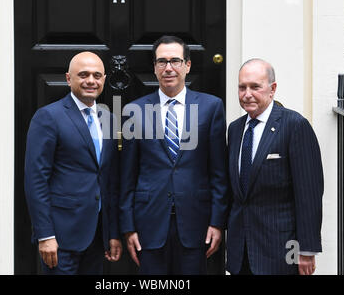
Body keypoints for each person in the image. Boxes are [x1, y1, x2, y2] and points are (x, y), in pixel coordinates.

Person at [119, 35, 229, 274]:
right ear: (154, 67)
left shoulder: (211, 107)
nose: (168, 68)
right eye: (162, 61)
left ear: (187, 66)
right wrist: (128, 227)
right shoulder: (134, 111)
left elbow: (218, 171)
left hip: (196, 224)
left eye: (175, 61)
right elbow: (127, 175)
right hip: (148, 225)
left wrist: (217, 222)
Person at [24, 51, 122, 274]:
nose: (91, 81)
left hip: (97, 237)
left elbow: (110, 180)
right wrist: (45, 235)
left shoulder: (109, 119)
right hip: (60, 237)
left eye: (97, 75)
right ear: (69, 78)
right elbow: (36, 180)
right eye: (83, 74)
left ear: (104, 80)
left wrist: (113, 233)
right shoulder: (48, 116)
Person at [226, 58, 324, 275]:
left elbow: (308, 194)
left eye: (255, 87)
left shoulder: (294, 126)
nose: (247, 94)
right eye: (242, 87)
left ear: (272, 89)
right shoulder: (235, 130)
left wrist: (306, 250)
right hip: (240, 249)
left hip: (279, 251)